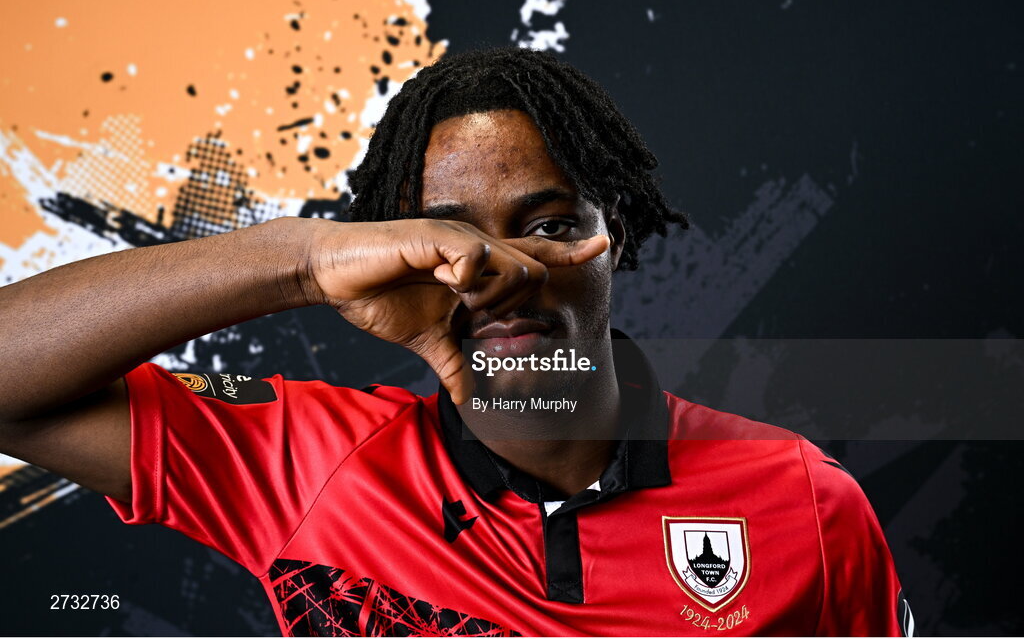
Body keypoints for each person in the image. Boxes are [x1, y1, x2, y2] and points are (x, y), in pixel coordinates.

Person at [0, 47, 912, 636]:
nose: (500, 269)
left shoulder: (805, 503)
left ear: (617, 238)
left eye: (550, 226)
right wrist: (304, 261)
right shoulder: (304, 464)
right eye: (450, 238)